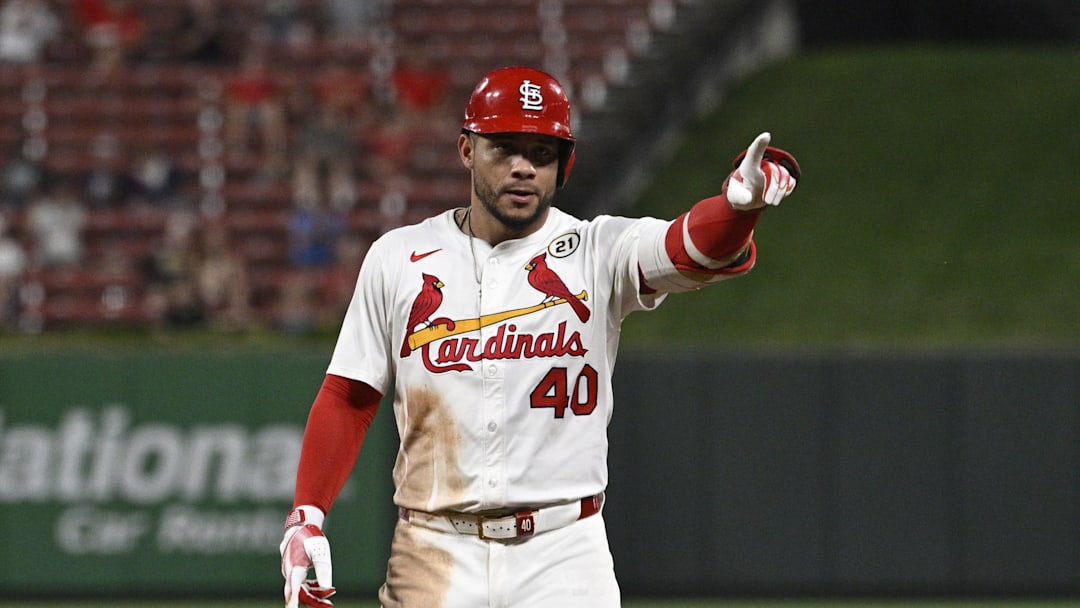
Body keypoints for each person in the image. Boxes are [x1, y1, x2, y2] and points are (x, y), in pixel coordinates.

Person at [278, 66, 800, 608]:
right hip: (433, 549)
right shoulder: (398, 256)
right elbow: (349, 394)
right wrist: (307, 515)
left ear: (563, 163)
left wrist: (739, 209)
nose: (524, 166)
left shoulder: (599, 250)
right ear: (466, 149)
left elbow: (687, 248)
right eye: (504, 148)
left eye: (542, 152)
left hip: (564, 553)